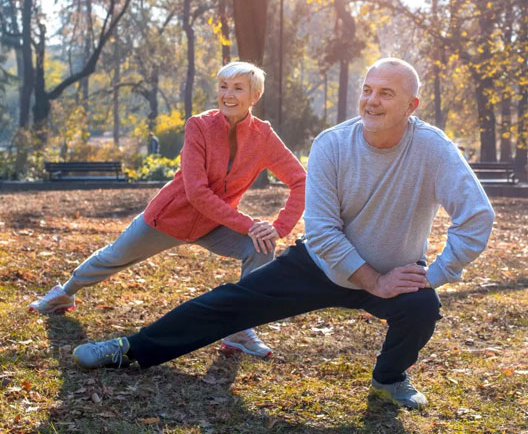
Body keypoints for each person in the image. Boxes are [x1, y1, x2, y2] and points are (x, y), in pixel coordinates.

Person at [71, 58, 494, 409]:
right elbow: (325, 232)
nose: (371, 100)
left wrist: (432, 275)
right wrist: (373, 281)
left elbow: (476, 217)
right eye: (367, 89)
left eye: (386, 93)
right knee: (228, 304)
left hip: (394, 270)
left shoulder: (433, 148)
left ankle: (389, 377)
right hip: (322, 265)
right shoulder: (333, 145)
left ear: (411, 105)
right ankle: (130, 349)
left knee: (422, 309)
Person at [30, 61, 306, 358]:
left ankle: (238, 328)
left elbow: (301, 180)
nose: (228, 94)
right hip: (169, 219)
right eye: (223, 86)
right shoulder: (199, 126)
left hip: (214, 225)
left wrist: (278, 228)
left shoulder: (263, 137)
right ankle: (64, 292)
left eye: (238, 88)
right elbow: (197, 193)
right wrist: (248, 223)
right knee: (113, 256)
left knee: (261, 246)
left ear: (254, 96)